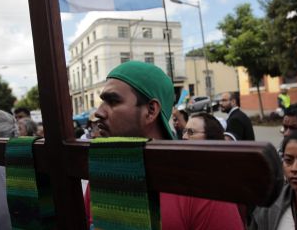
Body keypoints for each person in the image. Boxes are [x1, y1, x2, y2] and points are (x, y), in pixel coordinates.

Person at [89, 61, 244, 230]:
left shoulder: (201, 183)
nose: (99, 112)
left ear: (151, 111)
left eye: (112, 101)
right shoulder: (103, 171)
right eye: (102, 101)